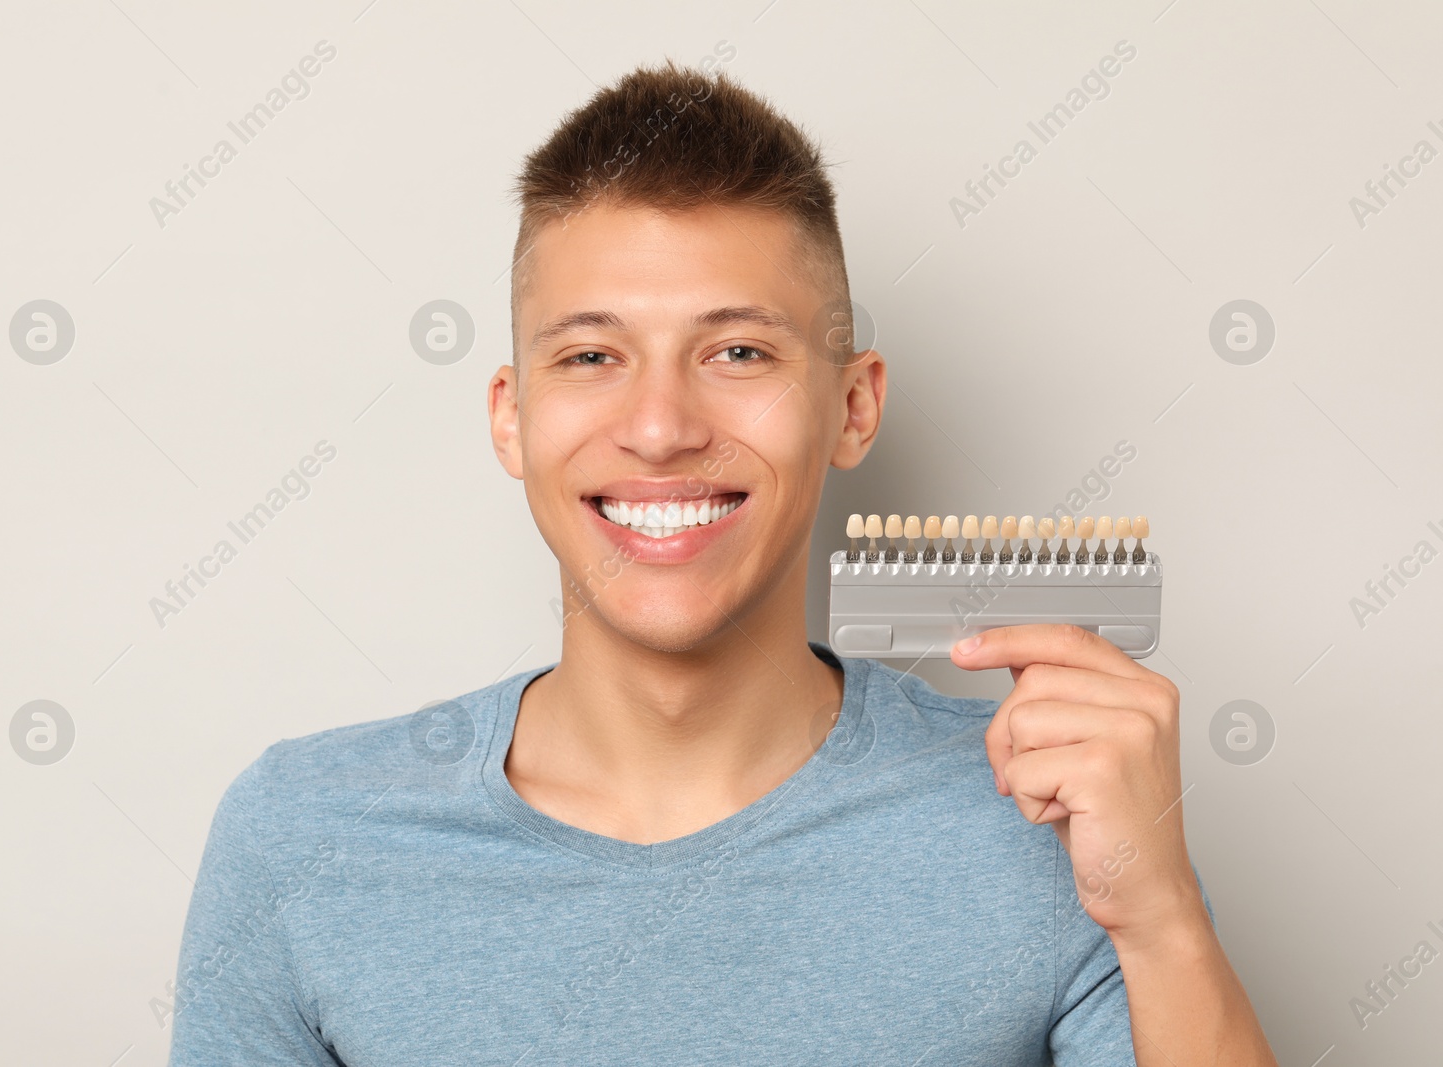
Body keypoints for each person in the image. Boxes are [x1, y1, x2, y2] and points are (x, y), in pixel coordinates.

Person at [168, 58, 1277, 1065]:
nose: (659, 426)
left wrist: (1162, 914)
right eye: (592, 354)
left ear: (851, 407)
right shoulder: (302, 838)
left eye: (737, 351)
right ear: (511, 419)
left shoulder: (1046, 819)